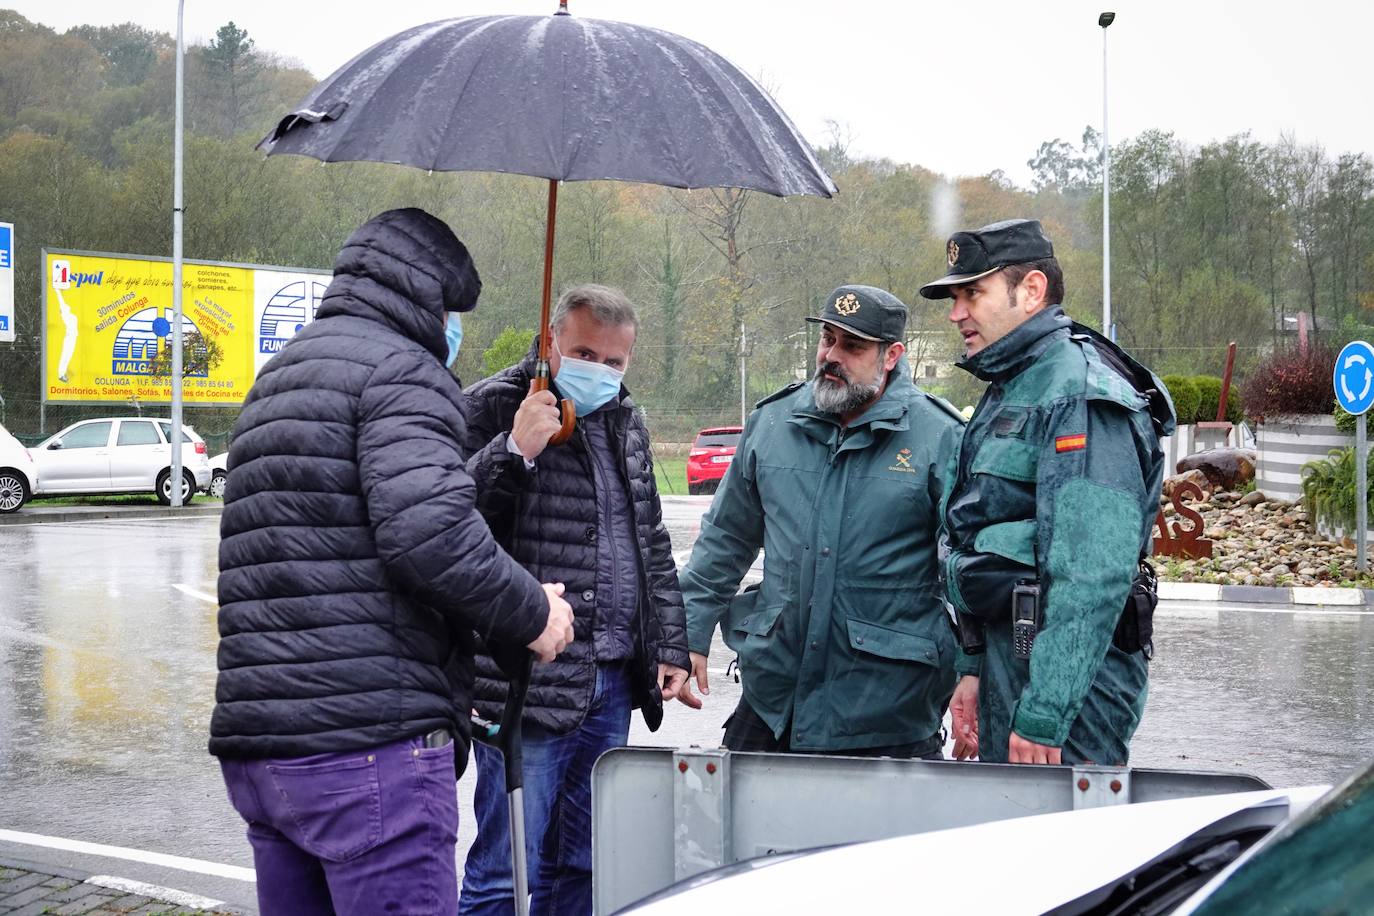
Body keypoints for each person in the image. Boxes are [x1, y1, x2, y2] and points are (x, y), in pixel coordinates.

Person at [211, 208, 575, 916]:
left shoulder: (278, 377)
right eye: (449, 309)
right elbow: (430, 534)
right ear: (426, 297)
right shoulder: (404, 374)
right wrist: (535, 611)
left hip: (263, 748)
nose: (451, 327)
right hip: (367, 748)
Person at [458, 284, 690, 915]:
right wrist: (513, 450)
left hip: (612, 679)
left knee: (583, 865)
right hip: (529, 677)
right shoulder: (493, 405)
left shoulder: (625, 417)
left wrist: (669, 642)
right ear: (552, 338)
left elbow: (650, 539)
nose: (601, 371)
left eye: (615, 362)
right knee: (508, 868)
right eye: (586, 353)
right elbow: (445, 526)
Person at [918, 218, 1175, 766]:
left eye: (973, 293)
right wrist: (972, 669)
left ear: (1031, 291)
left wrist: (1046, 715)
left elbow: (1091, 575)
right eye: (954, 297)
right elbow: (975, 532)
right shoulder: (1014, 384)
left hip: (1067, 695)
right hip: (1008, 667)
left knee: (1064, 847)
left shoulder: (1078, 392)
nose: (956, 313)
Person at [675, 285, 964, 758]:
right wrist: (689, 633)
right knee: (737, 825)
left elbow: (966, 571)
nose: (832, 355)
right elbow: (725, 540)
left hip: (887, 710)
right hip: (774, 699)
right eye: (827, 339)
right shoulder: (773, 423)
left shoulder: (940, 437)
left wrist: (973, 672)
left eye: (852, 346)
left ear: (891, 355)